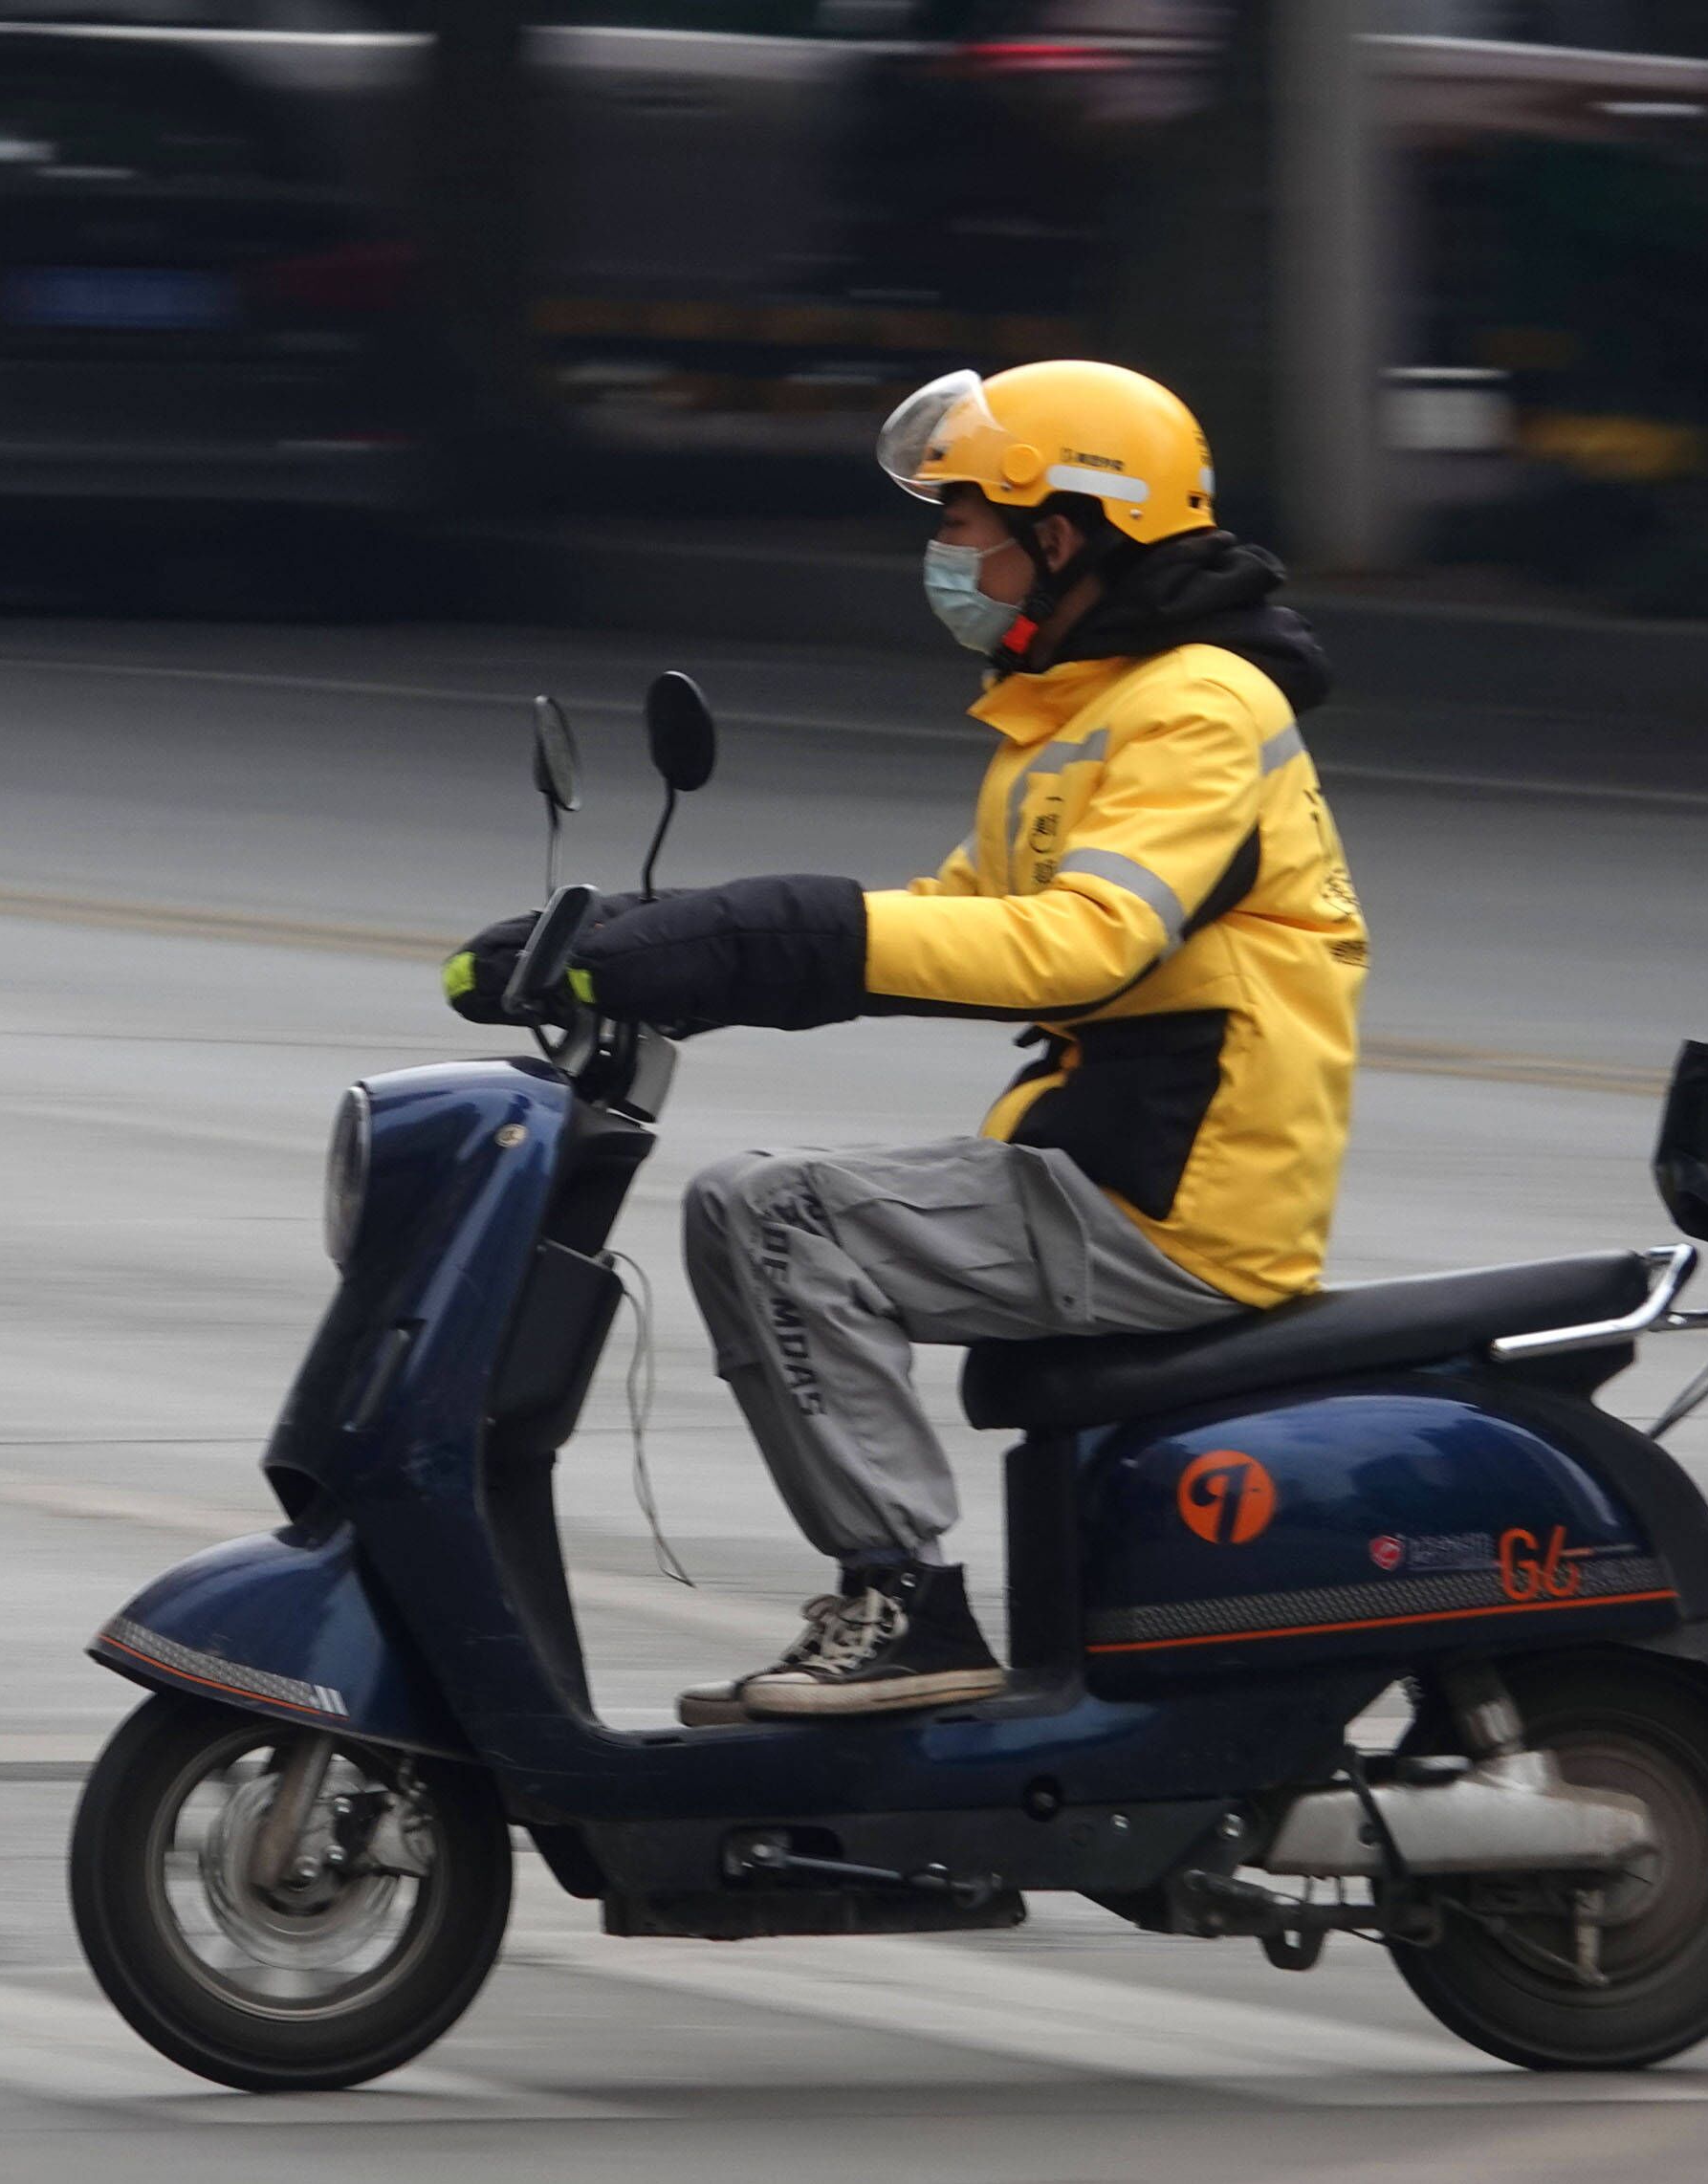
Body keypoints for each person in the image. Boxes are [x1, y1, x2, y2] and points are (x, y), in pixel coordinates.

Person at [448, 360, 1366, 1721]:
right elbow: (953, 918)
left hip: (1176, 1195)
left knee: (773, 1218)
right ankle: (895, 1596)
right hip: (1107, 1157)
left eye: (963, 521)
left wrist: (774, 938)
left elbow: (1080, 942)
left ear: (1063, 534)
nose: (944, 550)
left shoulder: (1196, 711)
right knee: (773, 1204)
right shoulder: (1082, 711)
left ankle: (902, 1605)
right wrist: (666, 946)